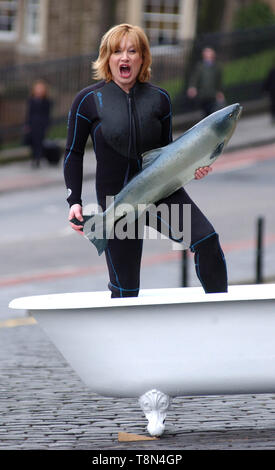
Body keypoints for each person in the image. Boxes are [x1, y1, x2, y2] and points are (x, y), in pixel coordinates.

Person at [64, 24, 228, 298]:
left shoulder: (160, 99)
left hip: (162, 193)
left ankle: (222, 314)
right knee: (126, 290)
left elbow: (169, 153)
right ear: (107, 57)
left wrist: (193, 168)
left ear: (143, 58)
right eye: (117, 51)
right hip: (118, 203)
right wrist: (74, 201)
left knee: (207, 240)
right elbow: (73, 153)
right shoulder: (88, 101)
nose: (124, 57)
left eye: (132, 51)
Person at [187, 47, 225, 117]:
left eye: (209, 53)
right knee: (205, 112)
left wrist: (219, 92)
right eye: (206, 53)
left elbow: (219, 81)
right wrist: (192, 87)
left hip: (212, 95)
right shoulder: (200, 66)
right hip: (203, 95)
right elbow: (195, 78)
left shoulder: (217, 67)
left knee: (213, 111)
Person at [24, 79, 51, 168]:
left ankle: (38, 158)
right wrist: (27, 125)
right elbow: (29, 113)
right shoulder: (31, 100)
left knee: (39, 142)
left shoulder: (46, 101)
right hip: (33, 124)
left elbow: (47, 114)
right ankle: (34, 157)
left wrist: (46, 125)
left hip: (41, 124)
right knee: (33, 142)